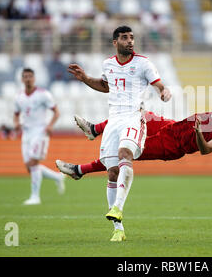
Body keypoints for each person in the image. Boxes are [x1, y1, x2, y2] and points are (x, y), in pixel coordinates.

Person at [56, 51, 212, 183]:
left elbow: (206, 150)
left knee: (125, 152)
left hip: (172, 146)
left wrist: (199, 133)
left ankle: (80, 170)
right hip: (173, 126)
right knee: (138, 114)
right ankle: (95, 130)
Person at [64, 26, 171, 242]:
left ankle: (118, 208)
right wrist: (85, 78)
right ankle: (118, 229)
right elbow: (106, 86)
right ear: (115, 42)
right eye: (125, 38)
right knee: (112, 172)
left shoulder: (143, 63)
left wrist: (164, 91)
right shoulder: (108, 64)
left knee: (125, 154)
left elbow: (159, 85)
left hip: (133, 116)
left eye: (132, 38)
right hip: (113, 120)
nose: (130, 41)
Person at [14, 68, 65, 205]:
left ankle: (35, 197)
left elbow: (56, 112)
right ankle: (57, 177)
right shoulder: (19, 97)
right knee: (29, 167)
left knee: (33, 163)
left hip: (40, 132)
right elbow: (16, 113)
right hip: (26, 133)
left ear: (34, 78)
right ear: (22, 79)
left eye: (30, 76)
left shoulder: (43, 94)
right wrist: (16, 124)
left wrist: (50, 126)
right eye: (25, 76)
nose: (28, 79)